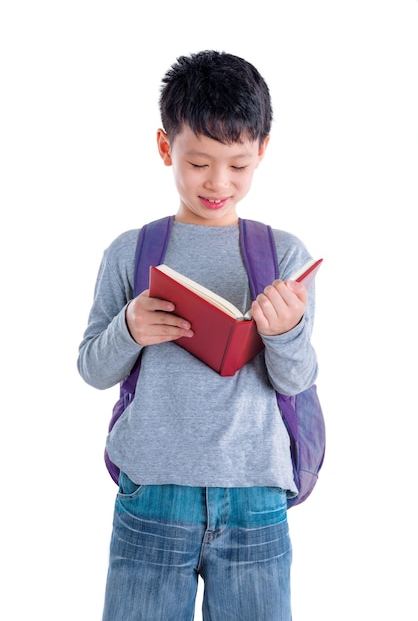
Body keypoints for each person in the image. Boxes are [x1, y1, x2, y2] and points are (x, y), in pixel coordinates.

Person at [77, 50, 319, 621]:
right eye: (199, 162)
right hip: (153, 495)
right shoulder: (132, 251)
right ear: (166, 148)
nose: (218, 183)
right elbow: (92, 368)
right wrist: (131, 328)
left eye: (238, 166)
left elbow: (298, 379)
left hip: (257, 498)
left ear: (262, 150)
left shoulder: (283, 254)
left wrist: (285, 333)